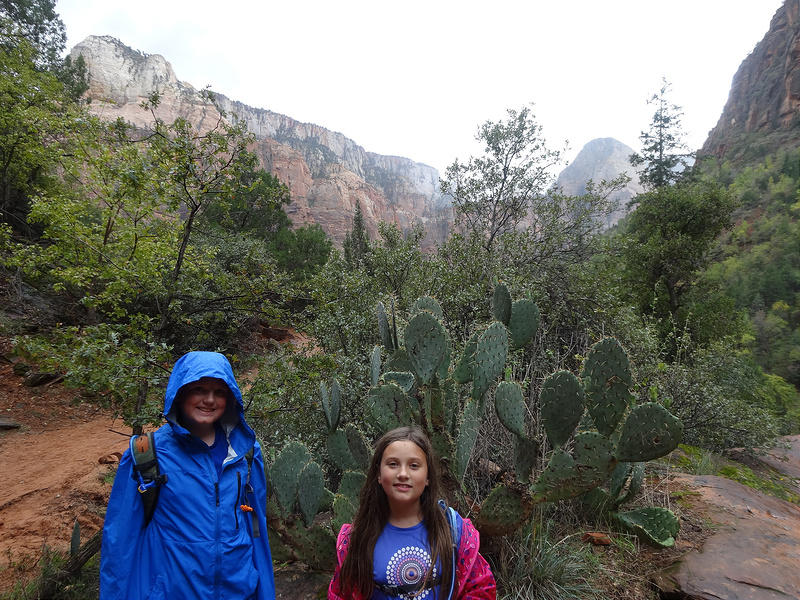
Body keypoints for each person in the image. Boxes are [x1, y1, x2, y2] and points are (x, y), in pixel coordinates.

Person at [100, 351, 275, 600]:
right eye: (199, 389)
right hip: (173, 591)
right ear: (179, 393)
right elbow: (119, 543)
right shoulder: (146, 453)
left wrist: (264, 591)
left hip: (238, 590)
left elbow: (257, 529)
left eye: (220, 392)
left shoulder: (245, 452)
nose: (210, 400)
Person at [329, 426, 496, 600]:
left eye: (414, 466)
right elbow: (341, 593)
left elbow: (480, 588)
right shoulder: (356, 537)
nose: (402, 474)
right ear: (379, 474)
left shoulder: (455, 531)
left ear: (428, 477)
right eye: (393, 464)